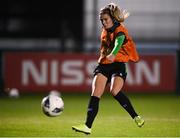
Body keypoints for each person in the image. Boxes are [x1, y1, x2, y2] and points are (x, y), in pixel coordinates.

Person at [72, 3, 145, 134]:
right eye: (101, 20)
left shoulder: (120, 29)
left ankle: (136, 117)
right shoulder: (105, 31)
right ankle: (87, 126)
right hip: (104, 65)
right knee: (95, 93)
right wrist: (108, 56)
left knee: (114, 91)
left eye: (105, 19)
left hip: (118, 64)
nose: (103, 22)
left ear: (112, 18)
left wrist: (113, 53)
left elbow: (119, 41)